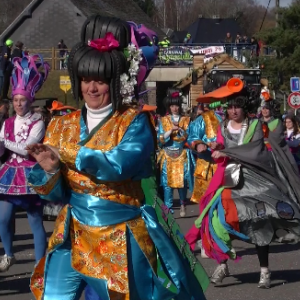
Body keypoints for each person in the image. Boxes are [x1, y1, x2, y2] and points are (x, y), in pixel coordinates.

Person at [27, 15, 206, 300]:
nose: (92, 88)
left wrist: (67, 154)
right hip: (73, 231)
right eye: (86, 80)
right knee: (53, 296)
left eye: (99, 81)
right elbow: (56, 194)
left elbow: (117, 166)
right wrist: (49, 172)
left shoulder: (134, 122)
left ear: (113, 82)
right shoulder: (62, 124)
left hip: (121, 233)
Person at [186, 78, 300, 289]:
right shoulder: (223, 126)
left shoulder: (256, 125)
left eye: (237, 106)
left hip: (255, 180)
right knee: (216, 220)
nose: (233, 110)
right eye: (230, 106)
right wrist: (202, 146)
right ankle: (222, 262)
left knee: (259, 223)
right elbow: (218, 152)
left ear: (245, 106)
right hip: (229, 180)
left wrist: (225, 151)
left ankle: (264, 270)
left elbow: (254, 150)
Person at [0, 54, 49, 272]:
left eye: (23, 100)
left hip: (30, 172)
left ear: (30, 100)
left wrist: (3, 141)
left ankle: (40, 265)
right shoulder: (8, 122)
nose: (19, 104)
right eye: (16, 100)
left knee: (35, 221)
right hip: (10, 172)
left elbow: (27, 148)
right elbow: (3, 150)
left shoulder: (37, 123)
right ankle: (9, 255)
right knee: (3, 218)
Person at [157, 89, 195, 217]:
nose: (175, 108)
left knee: (182, 181)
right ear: (169, 106)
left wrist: (179, 130)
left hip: (181, 154)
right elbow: (160, 138)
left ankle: (183, 204)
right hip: (167, 154)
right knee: (167, 183)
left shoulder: (186, 120)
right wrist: (170, 131)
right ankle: (168, 207)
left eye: (177, 105)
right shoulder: (164, 120)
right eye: (172, 106)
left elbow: (189, 137)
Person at [42, 100, 77, 221]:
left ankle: (60, 210)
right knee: (55, 185)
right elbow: (47, 143)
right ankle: (52, 211)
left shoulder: (74, 129)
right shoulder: (52, 128)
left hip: (68, 163)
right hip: (55, 162)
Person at [188, 103, 222, 203]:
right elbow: (193, 137)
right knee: (208, 203)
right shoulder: (203, 119)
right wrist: (198, 144)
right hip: (209, 164)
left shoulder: (236, 119)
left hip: (229, 165)